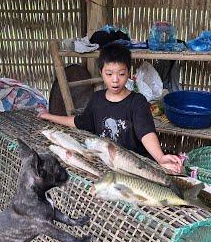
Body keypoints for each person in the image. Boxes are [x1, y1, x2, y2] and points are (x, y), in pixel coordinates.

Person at [38, 43, 182, 173]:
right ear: (101, 72)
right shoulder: (96, 99)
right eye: (109, 74)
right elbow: (79, 122)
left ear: (128, 73)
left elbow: (146, 133)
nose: (115, 79)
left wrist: (160, 157)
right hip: (106, 166)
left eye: (121, 74)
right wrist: (50, 116)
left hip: (133, 166)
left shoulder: (137, 102)